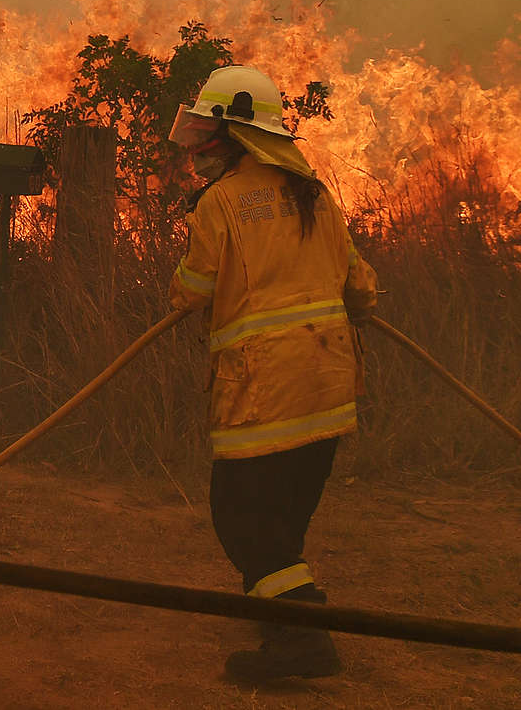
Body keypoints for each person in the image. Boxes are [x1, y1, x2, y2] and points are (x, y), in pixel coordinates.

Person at [167, 64, 378, 684]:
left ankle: (304, 640)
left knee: (239, 516)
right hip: (329, 386)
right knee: (284, 515)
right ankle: (279, 612)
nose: (198, 151)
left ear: (235, 135)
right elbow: (361, 288)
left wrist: (177, 286)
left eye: (207, 137)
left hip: (263, 390)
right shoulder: (316, 193)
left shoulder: (221, 203)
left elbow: (193, 291)